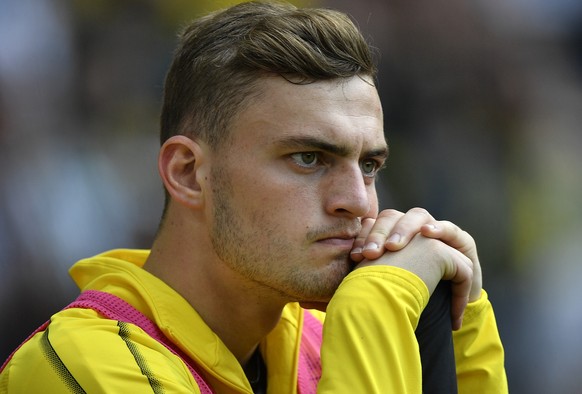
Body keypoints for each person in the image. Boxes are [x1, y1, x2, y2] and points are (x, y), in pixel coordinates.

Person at [0, 1, 507, 393]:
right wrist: (374, 306)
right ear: (189, 173)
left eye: (369, 165)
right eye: (308, 158)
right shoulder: (81, 365)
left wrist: (461, 322)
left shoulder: (328, 339)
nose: (358, 203)